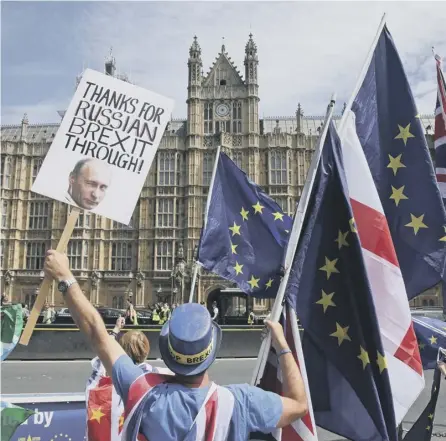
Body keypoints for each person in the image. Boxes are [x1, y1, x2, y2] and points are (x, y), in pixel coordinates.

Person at [43, 249, 308, 441]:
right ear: (211, 351)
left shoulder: (145, 394)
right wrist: (282, 345)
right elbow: (299, 405)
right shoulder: (241, 402)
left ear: (168, 353)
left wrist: (65, 277)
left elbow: (96, 332)